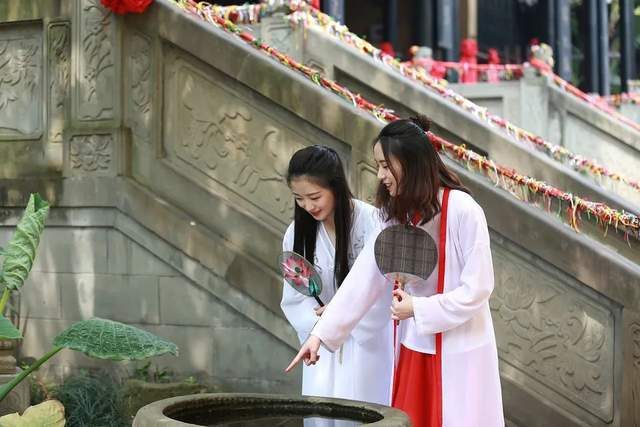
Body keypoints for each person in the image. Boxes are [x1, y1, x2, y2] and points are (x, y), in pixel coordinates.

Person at [286, 118, 504, 427]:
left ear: (411, 162)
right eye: (379, 166)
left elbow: (478, 289)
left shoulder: (463, 210)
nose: (380, 175)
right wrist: (320, 334)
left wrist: (419, 308)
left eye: (386, 166)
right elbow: (365, 276)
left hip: (460, 348)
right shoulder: (394, 216)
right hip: (414, 345)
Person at [281, 145, 394, 406]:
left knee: (368, 410)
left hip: (367, 345)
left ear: (336, 187)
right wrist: (323, 324)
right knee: (323, 413)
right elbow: (295, 297)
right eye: (299, 199)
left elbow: (383, 287)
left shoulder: (373, 223)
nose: (308, 206)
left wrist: (343, 314)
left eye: (315, 196)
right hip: (320, 346)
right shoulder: (295, 234)